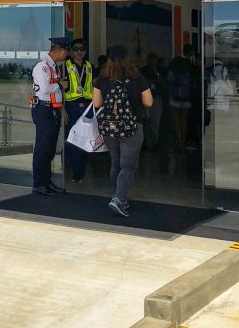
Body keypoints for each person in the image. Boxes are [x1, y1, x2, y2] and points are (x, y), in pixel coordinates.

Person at [93, 45, 153, 218]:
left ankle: (119, 196)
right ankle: (119, 199)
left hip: (109, 128)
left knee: (116, 163)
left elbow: (97, 104)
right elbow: (148, 102)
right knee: (128, 165)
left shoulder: (102, 79)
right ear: (128, 59)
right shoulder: (137, 78)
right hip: (131, 127)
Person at [30, 37, 69, 196]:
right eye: (66, 51)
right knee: (43, 148)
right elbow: (45, 89)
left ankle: (47, 181)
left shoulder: (53, 67)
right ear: (60, 51)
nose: (66, 54)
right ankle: (39, 183)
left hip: (53, 110)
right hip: (43, 110)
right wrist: (61, 85)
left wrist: (62, 110)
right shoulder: (42, 67)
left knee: (50, 148)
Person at [62, 38, 94, 182]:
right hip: (71, 107)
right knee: (74, 140)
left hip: (87, 107)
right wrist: (62, 109)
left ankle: (81, 168)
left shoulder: (89, 66)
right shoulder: (65, 66)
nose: (79, 52)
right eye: (76, 49)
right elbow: (59, 89)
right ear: (71, 50)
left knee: (85, 140)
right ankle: (77, 172)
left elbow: (93, 87)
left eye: (82, 49)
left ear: (85, 51)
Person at [167, 50, 194, 151]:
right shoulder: (187, 73)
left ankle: (180, 143)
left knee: (177, 122)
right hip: (186, 100)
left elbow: (169, 84)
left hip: (175, 99)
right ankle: (184, 140)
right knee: (184, 121)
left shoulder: (172, 72)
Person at [140, 52, 165, 149]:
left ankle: (154, 142)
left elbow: (164, 84)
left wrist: (157, 74)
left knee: (155, 121)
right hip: (146, 97)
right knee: (146, 121)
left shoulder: (159, 70)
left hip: (156, 97)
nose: (153, 61)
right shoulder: (143, 71)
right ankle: (146, 143)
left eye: (154, 59)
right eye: (151, 59)